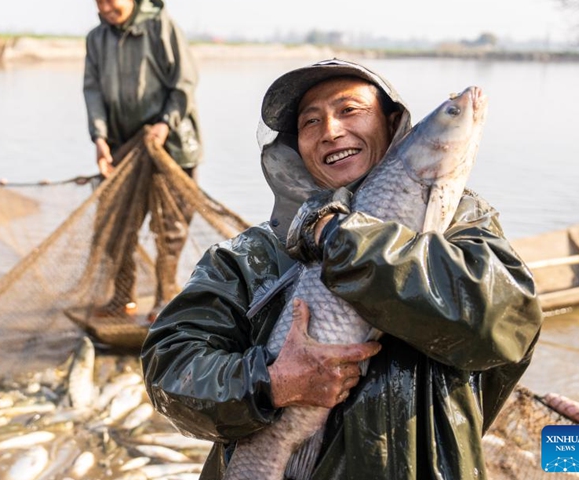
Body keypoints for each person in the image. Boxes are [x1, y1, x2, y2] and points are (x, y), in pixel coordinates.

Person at [141, 58, 544, 479]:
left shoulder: (460, 225)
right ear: (294, 146)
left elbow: (507, 325)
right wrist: (271, 381)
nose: (331, 131)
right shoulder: (247, 256)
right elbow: (169, 368)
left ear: (392, 124)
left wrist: (339, 237)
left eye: (350, 110)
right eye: (310, 122)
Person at [83, 0, 202, 318]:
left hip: (171, 145)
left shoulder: (160, 25)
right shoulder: (97, 38)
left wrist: (165, 123)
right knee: (114, 223)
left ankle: (165, 298)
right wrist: (99, 137)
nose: (106, 7)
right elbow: (92, 91)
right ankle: (122, 297)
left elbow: (184, 81)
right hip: (123, 147)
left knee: (170, 228)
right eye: (99, 1)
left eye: (113, 0)